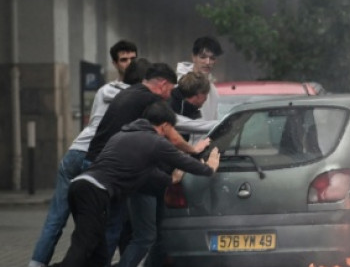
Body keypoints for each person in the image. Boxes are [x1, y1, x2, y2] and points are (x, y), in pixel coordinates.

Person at [50, 102, 220, 267]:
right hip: (95, 191)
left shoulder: (121, 136)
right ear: (165, 126)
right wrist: (209, 169)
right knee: (83, 246)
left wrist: (170, 180)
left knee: (99, 254)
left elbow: (146, 173)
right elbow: (183, 161)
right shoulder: (155, 141)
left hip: (79, 186)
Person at [28, 40, 137, 267]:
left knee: (58, 220)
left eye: (132, 59)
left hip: (77, 154)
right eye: (124, 59)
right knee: (103, 224)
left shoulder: (104, 90)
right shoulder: (127, 93)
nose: (128, 63)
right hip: (90, 159)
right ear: (115, 63)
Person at [140, 72, 211, 267]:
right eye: (206, 95)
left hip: (160, 173)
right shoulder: (170, 107)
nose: (206, 100)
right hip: (151, 175)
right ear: (198, 95)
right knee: (149, 234)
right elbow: (176, 138)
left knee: (155, 232)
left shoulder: (190, 109)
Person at [176, 36, 224, 121]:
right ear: (193, 57)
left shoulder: (212, 89)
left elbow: (214, 120)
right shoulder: (179, 84)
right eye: (203, 57)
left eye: (212, 58)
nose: (207, 62)